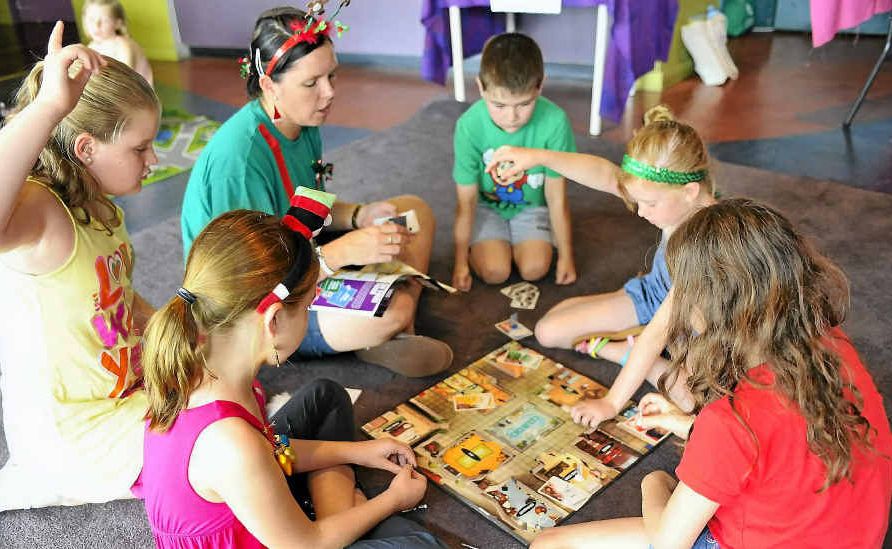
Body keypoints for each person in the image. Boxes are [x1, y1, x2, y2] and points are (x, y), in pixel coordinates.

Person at [531, 199, 892, 549]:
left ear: (707, 307)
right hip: (856, 535)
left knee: (549, 544)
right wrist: (691, 427)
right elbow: (784, 444)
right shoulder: (831, 343)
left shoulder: (731, 421)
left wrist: (655, 483)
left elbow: (669, 543)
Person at [137, 188, 444, 548]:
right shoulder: (230, 442)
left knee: (326, 395)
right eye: (309, 306)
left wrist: (357, 451)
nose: (311, 311)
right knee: (420, 543)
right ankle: (339, 516)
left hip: (258, 497)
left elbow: (271, 448)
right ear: (274, 321)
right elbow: (306, 545)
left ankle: (336, 514)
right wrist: (392, 501)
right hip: (292, 541)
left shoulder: (208, 372)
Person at [180, 5, 451, 377]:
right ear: (269, 85)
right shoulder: (238, 160)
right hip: (255, 307)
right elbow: (257, 287)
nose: (329, 93)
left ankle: (384, 331)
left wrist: (358, 215)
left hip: (300, 253)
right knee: (394, 308)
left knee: (413, 212)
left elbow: (308, 205)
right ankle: (389, 327)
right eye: (311, 83)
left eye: (332, 76)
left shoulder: (303, 122)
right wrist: (338, 255)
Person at [0, 22, 159, 509]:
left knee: (227, 384)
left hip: (121, 395)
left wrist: (169, 329)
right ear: (86, 148)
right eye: (138, 148)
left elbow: (114, 294)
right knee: (219, 432)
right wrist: (49, 107)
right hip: (71, 440)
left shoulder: (103, 204)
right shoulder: (41, 212)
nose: (153, 159)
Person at [488, 105, 716, 416]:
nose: (640, 212)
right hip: (653, 295)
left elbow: (657, 334)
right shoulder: (677, 198)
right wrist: (538, 156)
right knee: (548, 331)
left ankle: (630, 353)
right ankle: (635, 347)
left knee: (695, 404)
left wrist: (611, 403)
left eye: (648, 203)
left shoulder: (706, 244)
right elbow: (606, 174)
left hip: (696, 333)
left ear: (689, 191)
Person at [451, 32, 577, 292]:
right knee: (494, 271)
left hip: (532, 208)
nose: (511, 117)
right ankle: (495, 246)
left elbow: (556, 198)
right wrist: (460, 262)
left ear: (540, 87)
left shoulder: (555, 122)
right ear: (480, 87)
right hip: (486, 208)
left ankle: (516, 244)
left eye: (524, 104)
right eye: (499, 105)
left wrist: (566, 256)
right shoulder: (468, 126)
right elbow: (466, 202)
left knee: (535, 269)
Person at [81, 0, 154, 85]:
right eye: (91, 19)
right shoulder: (92, 46)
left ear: (118, 24)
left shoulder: (124, 46)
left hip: (136, 91)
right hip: (112, 88)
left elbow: (125, 79)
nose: (96, 25)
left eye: (105, 20)